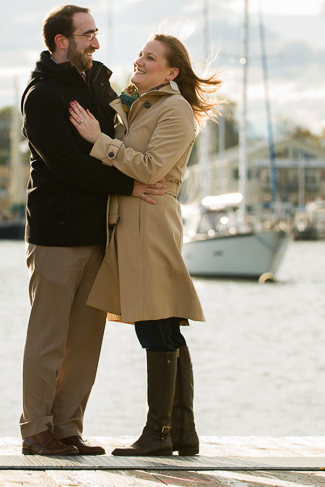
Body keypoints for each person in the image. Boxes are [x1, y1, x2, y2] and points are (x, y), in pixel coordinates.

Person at [19, 5, 166, 456]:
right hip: (56, 235)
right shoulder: (41, 96)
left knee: (85, 341)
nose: (96, 42)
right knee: (49, 338)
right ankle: (37, 432)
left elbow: (118, 143)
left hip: (100, 233)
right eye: (88, 35)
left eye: (96, 33)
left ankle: (67, 428)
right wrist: (129, 182)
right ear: (62, 41)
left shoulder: (98, 85)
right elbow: (66, 166)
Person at [68, 31, 220, 456]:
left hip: (149, 221)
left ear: (171, 71)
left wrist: (99, 140)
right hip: (131, 221)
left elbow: (151, 169)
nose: (140, 61)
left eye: (150, 57)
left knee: (155, 322)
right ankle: (180, 432)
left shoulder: (175, 111)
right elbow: (131, 163)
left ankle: (159, 433)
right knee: (163, 322)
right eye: (139, 54)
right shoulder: (139, 106)